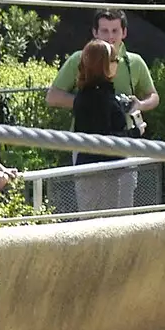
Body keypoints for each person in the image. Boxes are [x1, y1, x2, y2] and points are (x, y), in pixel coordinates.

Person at [68, 39, 135, 213]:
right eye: (114, 60)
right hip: (101, 173)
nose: (117, 64)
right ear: (103, 64)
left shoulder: (87, 95)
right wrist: (134, 133)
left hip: (102, 172)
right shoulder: (99, 98)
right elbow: (104, 138)